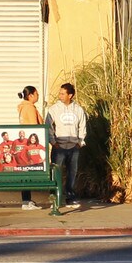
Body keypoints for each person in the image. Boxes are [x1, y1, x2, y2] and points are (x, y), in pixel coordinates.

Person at [46, 82, 87, 212]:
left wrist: (80, 142)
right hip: (59, 146)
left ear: (70, 95)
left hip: (74, 146)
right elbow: (48, 126)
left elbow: (82, 126)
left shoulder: (78, 109)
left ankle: (70, 197)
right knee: (56, 172)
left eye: (63, 93)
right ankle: (54, 198)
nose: (60, 95)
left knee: (72, 173)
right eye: (60, 93)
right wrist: (53, 142)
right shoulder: (54, 109)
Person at [17, 87, 45, 210]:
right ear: (31, 95)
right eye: (37, 94)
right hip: (30, 147)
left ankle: (27, 200)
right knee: (28, 172)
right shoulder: (29, 108)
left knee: (26, 171)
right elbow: (35, 127)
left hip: (27, 145)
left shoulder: (23, 107)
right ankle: (26, 201)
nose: (38, 96)